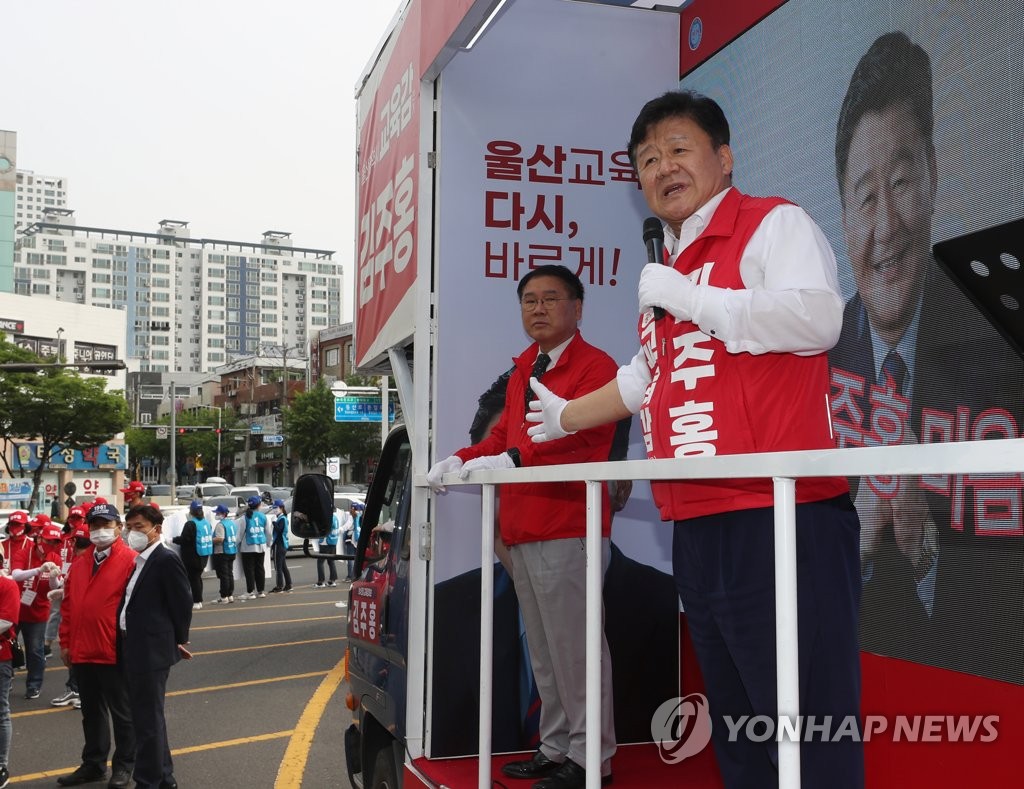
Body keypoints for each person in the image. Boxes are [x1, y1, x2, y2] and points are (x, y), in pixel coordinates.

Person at [526, 91, 863, 788]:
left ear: (723, 156)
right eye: (647, 159)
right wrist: (564, 417)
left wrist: (691, 298)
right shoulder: (668, 271)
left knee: (807, 731)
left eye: (679, 149)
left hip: (778, 516)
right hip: (699, 525)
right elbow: (643, 379)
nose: (663, 167)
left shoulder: (773, 224)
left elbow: (818, 318)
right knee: (741, 733)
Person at [829, 32, 1024, 678]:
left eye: (903, 181)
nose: (886, 225)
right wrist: (850, 548)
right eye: (865, 197)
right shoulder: (820, 355)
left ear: (936, 176)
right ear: (844, 218)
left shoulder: (997, 343)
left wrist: (924, 551)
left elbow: (1002, 622)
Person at [427, 264, 619, 789]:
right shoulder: (523, 370)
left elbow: (585, 443)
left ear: (578, 308)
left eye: (551, 298)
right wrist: (461, 458)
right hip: (523, 527)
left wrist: (513, 458)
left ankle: (590, 759)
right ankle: (557, 746)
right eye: (529, 300)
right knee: (546, 648)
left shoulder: (595, 368)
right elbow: (503, 440)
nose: (538, 308)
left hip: (567, 524)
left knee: (577, 650)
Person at [57, 503, 137, 788]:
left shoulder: (131, 560)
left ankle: (125, 766)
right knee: (91, 712)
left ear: (119, 527)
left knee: (123, 713)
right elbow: (68, 606)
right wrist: (65, 642)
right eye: (95, 525)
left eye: (106, 524)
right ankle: (93, 764)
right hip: (82, 649)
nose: (100, 530)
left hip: (114, 649)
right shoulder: (80, 562)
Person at [119, 504, 193, 789]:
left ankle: (148, 780)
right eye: (129, 527)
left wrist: (177, 639)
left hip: (150, 650)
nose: (131, 533)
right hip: (135, 646)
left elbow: (182, 602)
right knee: (148, 718)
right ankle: (163, 777)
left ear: (156, 529)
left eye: (138, 527)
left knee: (147, 721)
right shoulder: (139, 561)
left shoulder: (164, 559)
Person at [10, 517, 61, 700]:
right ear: (39, 539)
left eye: (55, 542)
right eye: (48, 541)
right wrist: (38, 570)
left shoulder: (55, 557)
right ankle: (6, 680)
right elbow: (16, 575)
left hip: (38, 611)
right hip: (14, 609)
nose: (51, 545)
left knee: (35, 650)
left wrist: (55, 576)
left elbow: (55, 587)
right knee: (8, 647)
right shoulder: (24, 553)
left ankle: (34, 685)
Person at [48, 512, 92, 710]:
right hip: (75, 621)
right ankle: (76, 690)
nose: (75, 546)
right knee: (76, 655)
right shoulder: (77, 563)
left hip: (91, 624)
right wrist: (61, 589)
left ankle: (83, 692)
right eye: (75, 541)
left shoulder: (94, 564)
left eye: (80, 542)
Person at [0, 552, 22, 789]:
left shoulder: (7, 585)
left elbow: (6, 620)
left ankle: (1, 765)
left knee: (1, 711)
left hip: (1, 656)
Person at [171, 500, 213, 610]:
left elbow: (185, 539)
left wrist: (172, 540)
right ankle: (199, 600)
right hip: (203, 553)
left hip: (192, 555)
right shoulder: (206, 523)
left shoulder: (190, 524)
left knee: (193, 578)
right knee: (198, 577)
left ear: (191, 511)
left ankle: (196, 600)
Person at [238, 496, 270, 600]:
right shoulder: (263, 516)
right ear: (259, 505)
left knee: (249, 570)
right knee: (260, 569)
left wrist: (234, 545)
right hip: (260, 546)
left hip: (247, 547)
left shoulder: (244, 517)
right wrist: (269, 544)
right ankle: (260, 591)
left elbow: (239, 534)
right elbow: (268, 532)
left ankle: (250, 592)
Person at [209, 504, 238, 604]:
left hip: (222, 552)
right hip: (232, 550)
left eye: (217, 513)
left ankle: (224, 596)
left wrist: (209, 540)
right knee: (230, 573)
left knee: (223, 575)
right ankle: (230, 595)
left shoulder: (220, 525)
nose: (216, 514)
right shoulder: (231, 523)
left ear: (223, 514)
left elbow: (220, 539)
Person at [268, 499, 292, 593]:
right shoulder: (282, 518)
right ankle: (288, 584)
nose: (274, 510)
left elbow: (279, 530)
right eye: (273, 508)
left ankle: (279, 586)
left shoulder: (282, 518)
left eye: (276, 508)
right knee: (283, 566)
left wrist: (274, 523)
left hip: (279, 545)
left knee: (278, 567)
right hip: (282, 545)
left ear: (281, 508)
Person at [314, 509, 340, 588]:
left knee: (320, 562)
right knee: (331, 561)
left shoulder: (328, 518)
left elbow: (323, 528)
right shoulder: (335, 518)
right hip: (333, 542)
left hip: (326, 542)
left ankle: (320, 582)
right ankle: (332, 580)